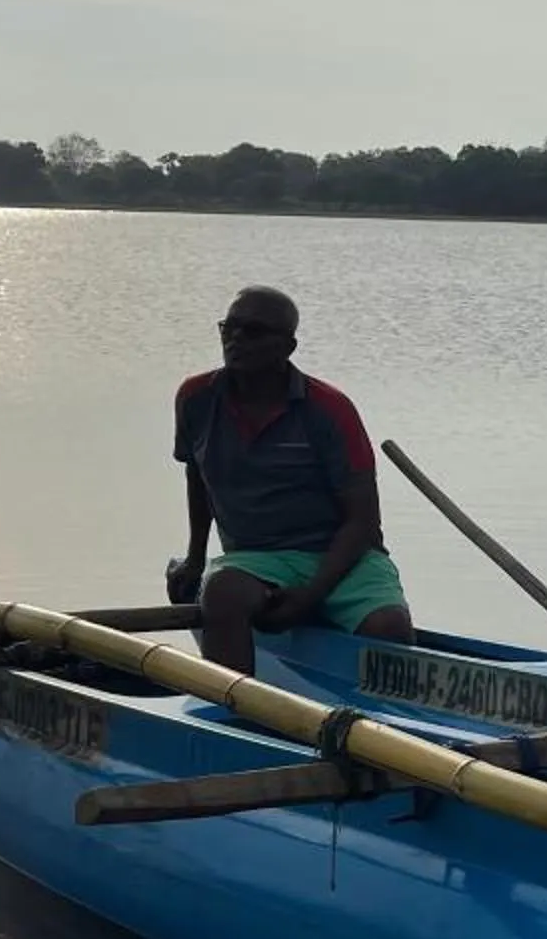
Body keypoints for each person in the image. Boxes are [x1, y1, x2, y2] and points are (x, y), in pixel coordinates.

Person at [167, 286, 414, 672]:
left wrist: (310, 595)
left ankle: (375, 710)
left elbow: (363, 521)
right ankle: (231, 701)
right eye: (229, 328)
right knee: (223, 594)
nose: (236, 339)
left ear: (287, 347)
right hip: (256, 558)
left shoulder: (330, 409)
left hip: (343, 555)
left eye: (253, 331)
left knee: (389, 628)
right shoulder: (196, 397)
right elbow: (197, 478)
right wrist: (195, 559)